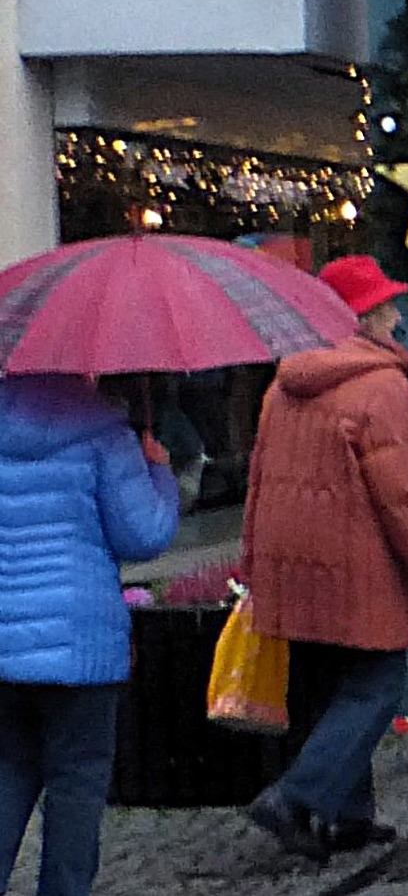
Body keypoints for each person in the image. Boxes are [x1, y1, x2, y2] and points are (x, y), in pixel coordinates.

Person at [242, 256, 408, 861]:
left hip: (294, 565)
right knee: (375, 685)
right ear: (364, 317)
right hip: (358, 566)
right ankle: (297, 797)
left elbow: (257, 483)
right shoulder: (385, 391)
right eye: (386, 306)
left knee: (323, 687)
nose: (396, 316)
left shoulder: (283, 387)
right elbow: (404, 500)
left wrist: (254, 562)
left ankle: (345, 818)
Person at [0, 375, 178, 896]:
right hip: (81, 646)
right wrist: (159, 472)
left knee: (9, 771)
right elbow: (142, 535)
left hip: (5, 643)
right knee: (77, 785)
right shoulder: (103, 432)